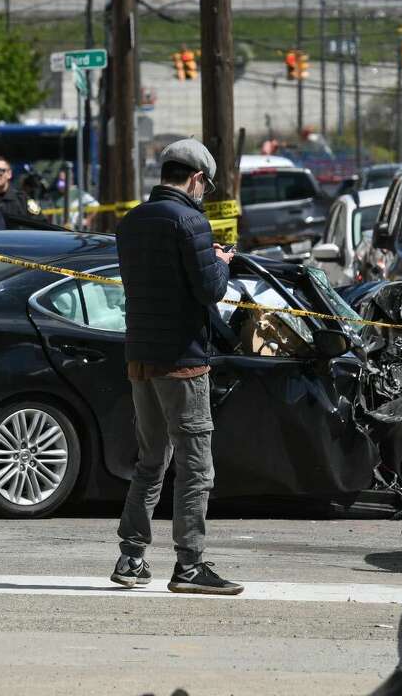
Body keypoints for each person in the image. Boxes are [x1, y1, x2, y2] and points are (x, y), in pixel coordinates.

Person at [111, 138, 242, 597]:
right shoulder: (191, 221)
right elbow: (210, 290)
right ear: (197, 179)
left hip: (139, 357)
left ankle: (131, 557)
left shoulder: (132, 221)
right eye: (205, 184)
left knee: (150, 460)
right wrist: (222, 262)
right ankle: (189, 565)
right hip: (183, 362)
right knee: (195, 466)